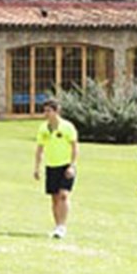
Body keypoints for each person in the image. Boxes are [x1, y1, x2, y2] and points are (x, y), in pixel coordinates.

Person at [33, 99, 79, 239]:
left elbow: (74, 147)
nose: (46, 114)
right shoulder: (43, 128)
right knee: (54, 198)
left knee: (64, 195)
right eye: (45, 111)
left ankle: (62, 226)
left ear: (56, 111)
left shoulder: (67, 127)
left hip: (65, 166)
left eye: (49, 111)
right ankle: (57, 226)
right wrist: (37, 167)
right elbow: (39, 149)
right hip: (51, 166)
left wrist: (72, 165)